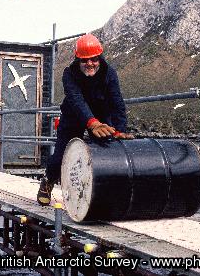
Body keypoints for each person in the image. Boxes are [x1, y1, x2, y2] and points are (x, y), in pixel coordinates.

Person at [37, 34, 134, 206]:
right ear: (78, 59)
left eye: (94, 59)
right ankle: (48, 180)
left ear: (99, 58)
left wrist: (120, 129)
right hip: (74, 115)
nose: (90, 63)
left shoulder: (109, 73)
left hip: (101, 117)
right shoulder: (69, 73)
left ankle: (101, 192)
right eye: (84, 60)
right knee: (62, 153)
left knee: (106, 151)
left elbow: (117, 101)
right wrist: (91, 122)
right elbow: (75, 99)